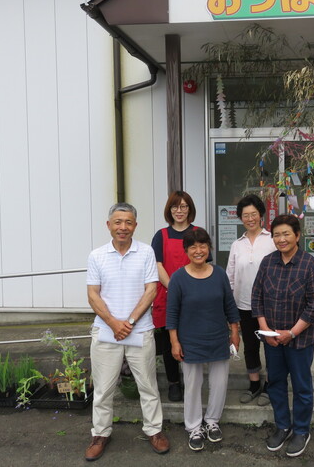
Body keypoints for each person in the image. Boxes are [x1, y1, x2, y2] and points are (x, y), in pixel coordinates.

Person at [85, 203, 170, 461]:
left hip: (140, 330)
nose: (123, 227)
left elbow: (151, 290)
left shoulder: (145, 252)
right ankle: (100, 433)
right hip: (105, 331)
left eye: (129, 222)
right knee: (102, 388)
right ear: (108, 224)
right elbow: (92, 294)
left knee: (148, 386)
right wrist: (113, 323)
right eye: (118, 221)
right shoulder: (96, 256)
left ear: (135, 225)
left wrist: (129, 322)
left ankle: (154, 431)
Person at [251, 214, 314, 458]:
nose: (281, 239)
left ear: (297, 236)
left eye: (286, 234)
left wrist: (291, 333)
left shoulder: (309, 264)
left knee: (302, 387)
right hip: (272, 340)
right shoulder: (267, 262)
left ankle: (302, 430)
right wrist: (266, 331)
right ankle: (283, 425)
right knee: (276, 384)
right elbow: (257, 298)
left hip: (300, 340)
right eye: (277, 235)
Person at [166, 227, 240, 452]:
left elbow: (229, 304)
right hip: (190, 340)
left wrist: (235, 332)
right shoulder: (178, 278)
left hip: (218, 337)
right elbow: (172, 313)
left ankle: (212, 421)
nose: (198, 251)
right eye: (193, 247)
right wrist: (174, 341)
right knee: (192, 385)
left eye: (203, 246)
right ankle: (194, 426)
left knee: (219, 383)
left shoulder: (218, 274)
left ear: (209, 248)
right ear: (186, 250)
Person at [151, 191, 206, 402]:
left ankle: (193, 382)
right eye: (175, 207)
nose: (179, 211)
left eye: (184, 206)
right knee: (168, 342)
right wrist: (175, 289)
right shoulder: (161, 235)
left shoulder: (198, 232)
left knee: (191, 338)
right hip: (167, 295)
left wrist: (189, 290)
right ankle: (174, 383)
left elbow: (203, 262)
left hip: (194, 294)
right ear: (169, 210)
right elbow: (157, 265)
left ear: (190, 209)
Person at [226, 194, 276, 405]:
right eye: (245, 215)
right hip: (243, 305)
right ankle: (254, 384)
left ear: (261, 215)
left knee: (272, 346)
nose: (250, 218)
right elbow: (230, 275)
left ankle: (270, 386)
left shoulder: (272, 239)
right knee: (251, 346)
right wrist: (229, 306)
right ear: (240, 218)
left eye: (253, 214)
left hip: (270, 306)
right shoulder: (237, 244)